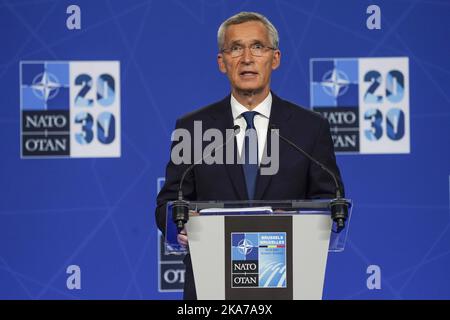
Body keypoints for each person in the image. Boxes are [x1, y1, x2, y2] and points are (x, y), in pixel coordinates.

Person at [155, 11, 344, 300]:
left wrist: (294, 221)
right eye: (235, 48)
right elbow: (168, 204)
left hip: (288, 279)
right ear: (222, 62)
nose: (246, 58)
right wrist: (181, 224)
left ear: (275, 58)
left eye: (257, 47)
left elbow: (329, 203)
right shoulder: (194, 128)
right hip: (211, 284)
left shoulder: (310, 128)